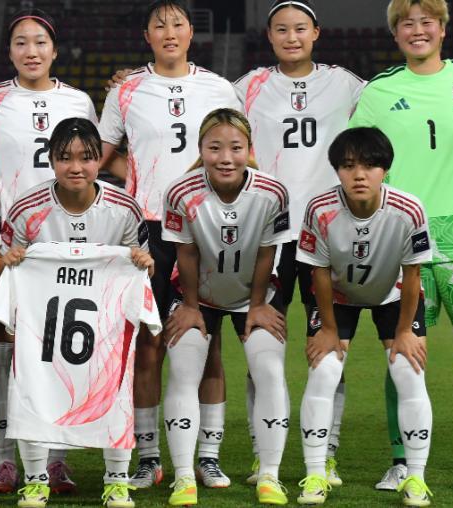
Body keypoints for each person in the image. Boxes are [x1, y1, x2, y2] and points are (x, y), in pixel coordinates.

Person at [349, 0, 453, 494]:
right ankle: (401, 460)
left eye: (426, 22)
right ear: (395, 33)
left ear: (442, 28)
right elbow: (358, 162)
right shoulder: (377, 92)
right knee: (403, 351)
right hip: (402, 239)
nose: (417, 30)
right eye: (406, 23)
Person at [98, 0, 241, 488]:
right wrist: (139, 177)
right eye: (159, 25)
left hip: (205, 228)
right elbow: (103, 156)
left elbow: (239, 153)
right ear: (147, 36)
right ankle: (148, 457)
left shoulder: (219, 88)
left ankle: (208, 456)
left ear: (191, 32)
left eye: (177, 23)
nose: (169, 31)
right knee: (149, 345)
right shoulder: (126, 90)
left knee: (208, 343)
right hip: (149, 230)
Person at [0, 8, 97, 494]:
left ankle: (56, 460)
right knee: (5, 357)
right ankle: (6, 461)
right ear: (9, 51)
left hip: (64, 249)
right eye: (21, 42)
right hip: (9, 249)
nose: (31, 51)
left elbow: (89, 163)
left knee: (58, 357)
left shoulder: (78, 100)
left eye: (40, 42)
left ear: (54, 50)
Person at [233, 0, 365, 486]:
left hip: (326, 234)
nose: (292, 37)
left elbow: (396, 102)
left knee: (327, 345)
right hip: (267, 233)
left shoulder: (345, 83)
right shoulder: (247, 87)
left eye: (300, 29)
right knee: (261, 346)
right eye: (282, 30)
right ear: (269, 36)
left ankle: (325, 453)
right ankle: (261, 451)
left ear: (316, 33)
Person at [0, 117, 153, 508]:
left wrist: (141, 262)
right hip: (41, 329)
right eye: (65, 157)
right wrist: (9, 261)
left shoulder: (124, 209)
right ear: (51, 159)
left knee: (116, 392)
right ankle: (36, 481)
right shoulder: (27, 209)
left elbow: (141, 270)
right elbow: (1, 265)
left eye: (87, 157)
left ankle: (116, 480)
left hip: (105, 328)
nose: (76, 167)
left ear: (101, 160)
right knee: (33, 390)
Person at [295, 127, 433, 506]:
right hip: (338, 296)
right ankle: (315, 473)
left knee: (408, 370)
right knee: (324, 371)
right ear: (336, 170)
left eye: (370, 165)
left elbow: (413, 274)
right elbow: (319, 272)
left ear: (384, 169)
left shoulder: (408, 209)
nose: (359, 175)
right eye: (348, 165)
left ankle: (416, 477)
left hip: (394, 294)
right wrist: (328, 328)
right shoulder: (320, 209)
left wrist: (404, 331)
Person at [161, 108, 291, 506]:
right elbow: (185, 252)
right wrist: (190, 306)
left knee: (269, 370)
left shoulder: (272, 192)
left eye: (236, 147)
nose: (226, 157)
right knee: (184, 370)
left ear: (249, 149)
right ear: (201, 149)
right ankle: (184, 477)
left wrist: (257, 305)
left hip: (254, 294)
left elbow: (268, 252)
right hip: (197, 295)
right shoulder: (181, 192)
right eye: (214, 148)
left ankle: (270, 475)